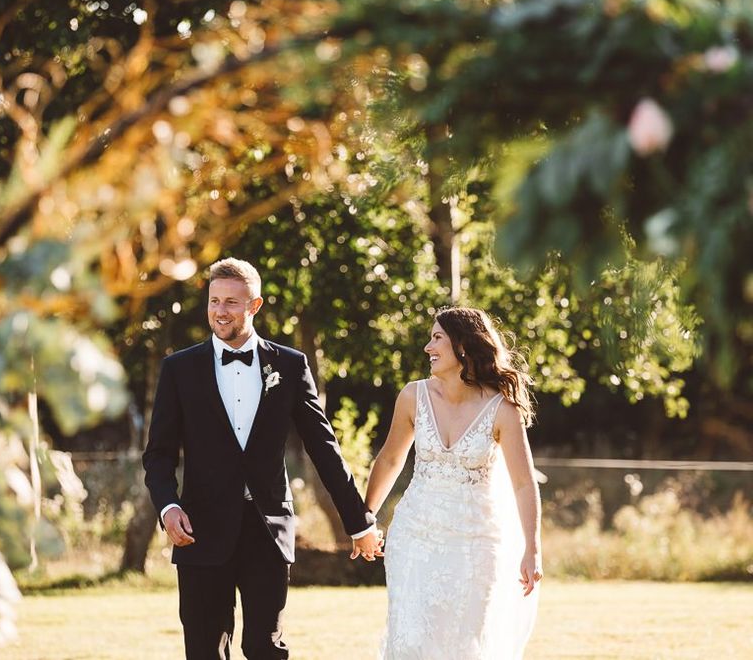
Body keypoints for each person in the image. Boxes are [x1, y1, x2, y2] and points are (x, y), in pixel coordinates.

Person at [142, 257, 383, 660]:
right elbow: (159, 455)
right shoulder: (179, 369)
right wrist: (167, 507)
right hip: (199, 530)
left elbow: (324, 449)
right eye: (214, 301)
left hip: (267, 530)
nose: (220, 311)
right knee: (203, 650)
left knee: (265, 647)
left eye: (231, 303)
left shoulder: (289, 365)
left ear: (254, 306)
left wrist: (358, 523)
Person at [365, 307, 542, 660]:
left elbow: (523, 483)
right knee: (411, 638)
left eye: (437, 338)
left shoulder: (502, 409)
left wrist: (531, 548)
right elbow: (389, 459)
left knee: (467, 643)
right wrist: (364, 518)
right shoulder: (413, 397)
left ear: (462, 346)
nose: (428, 347)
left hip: (477, 544)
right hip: (415, 537)